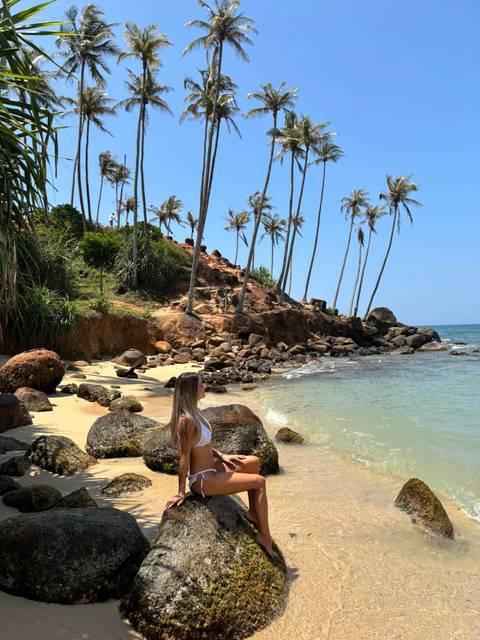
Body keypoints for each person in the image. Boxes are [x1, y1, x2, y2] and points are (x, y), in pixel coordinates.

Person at [164, 372, 274, 557]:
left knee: (253, 462)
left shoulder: (196, 413)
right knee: (259, 481)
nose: (204, 387)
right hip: (203, 480)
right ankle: (265, 536)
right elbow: (184, 458)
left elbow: (203, 445)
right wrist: (181, 491)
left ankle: (254, 513)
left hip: (213, 469)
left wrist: (223, 456)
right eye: (201, 385)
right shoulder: (186, 421)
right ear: (191, 391)